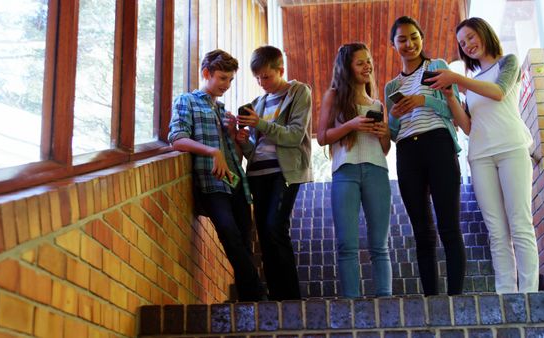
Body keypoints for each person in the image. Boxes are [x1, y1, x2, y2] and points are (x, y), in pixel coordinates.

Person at [429, 17, 539, 293]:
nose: (467, 45)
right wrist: (452, 96)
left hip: (512, 149)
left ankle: (528, 294)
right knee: (496, 231)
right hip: (480, 156)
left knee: (520, 223)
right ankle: (506, 294)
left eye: (470, 37)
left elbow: (499, 92)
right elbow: (467, 126)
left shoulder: (507, 63)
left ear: (484, 33)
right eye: (462, 44)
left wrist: (456, 78)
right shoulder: (472, 84)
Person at [168, 49, 266, 301]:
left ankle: (250, 301)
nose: (227, 85)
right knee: (229, 234)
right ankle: (259, 294)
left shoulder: (224, 111)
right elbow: (177, 139)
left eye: (230, 80)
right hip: (212, 183)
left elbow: (237, 154)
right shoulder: (186, 101)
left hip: (236, 183)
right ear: (206, 73)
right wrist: (212, 151)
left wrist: (236, 138)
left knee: (244, 241)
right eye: (222, 78)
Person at [385, 16, 466, 296]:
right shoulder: (391, 87)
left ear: (422, 37)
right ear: (393, 44)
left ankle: (456, 297)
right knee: (422, 230)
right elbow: (394, 134)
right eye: (402, 39)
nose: (409, 43)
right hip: (407, 151)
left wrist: (423, 100)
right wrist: (393, 118)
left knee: (449, 225)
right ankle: (431, 298)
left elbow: (451, 111)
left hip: (438, 143)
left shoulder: (437, 67)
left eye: (414, 36)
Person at [235, 45, 312, 301]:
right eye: (257, 78)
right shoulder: (258, 103)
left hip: (285, 171)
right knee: (265, 236)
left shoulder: (299, 92)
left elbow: (294, 135)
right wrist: (243, 139)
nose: (261, 82)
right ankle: (277, 299)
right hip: (257, 173)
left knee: (274, 227)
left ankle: (290, 299)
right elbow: (253, 150)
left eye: (266, 77)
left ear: (281, 70)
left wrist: (261, 123)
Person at [316, 43, 392, 298]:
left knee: (380, 245)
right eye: (360, 62)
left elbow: (384, 149)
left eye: (368, 61)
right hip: (344, 171)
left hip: (377, 170)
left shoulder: (377, 103)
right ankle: (351, 302)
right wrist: (351, 124)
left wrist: (384, 134)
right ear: (347, 67)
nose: (367, 66)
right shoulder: (334, 96)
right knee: (347, 244)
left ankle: (386, 300)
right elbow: (321, 137)